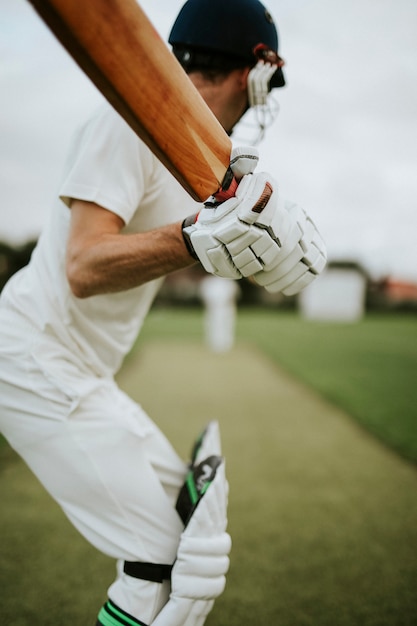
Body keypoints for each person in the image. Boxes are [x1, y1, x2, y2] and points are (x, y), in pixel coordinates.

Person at [0, 1, 327, 625]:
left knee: (186, 536)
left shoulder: (200, 157)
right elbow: (84, 267)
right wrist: (195, 238)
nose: (260, 104)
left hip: (83, 375)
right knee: (163, 560)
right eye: (263, 89)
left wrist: (272, 242)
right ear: (252, 75)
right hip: (33, 359)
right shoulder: (125, 124)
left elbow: (226, 230)